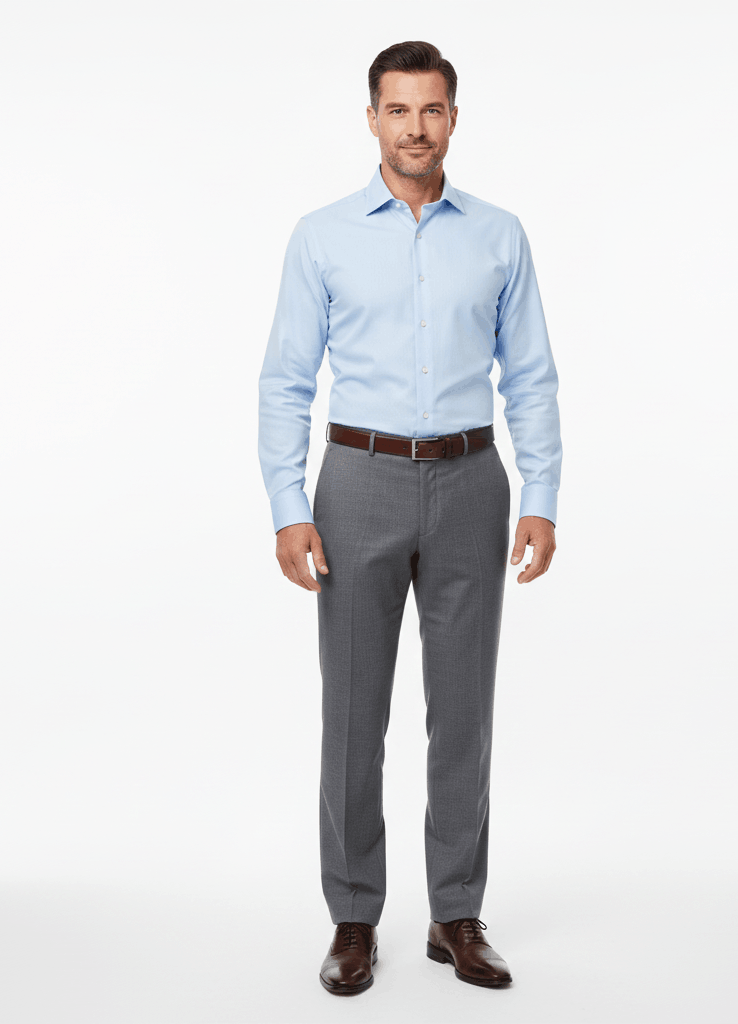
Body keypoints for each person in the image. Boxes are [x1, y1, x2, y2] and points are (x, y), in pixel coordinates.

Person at [258, 39, 562, 995]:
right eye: (398, 110)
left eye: (432, 110)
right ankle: (354, 917)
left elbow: (533, 377)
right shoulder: (322, 236)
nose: (416, 128)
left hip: (473, 482)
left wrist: (542, 495)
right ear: (372, 119)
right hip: (358, 481)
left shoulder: (500, 235)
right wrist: (288, 506)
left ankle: (455, 913)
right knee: (354, 711)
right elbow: (285, 379)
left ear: (454, 119)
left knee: (463, 712)